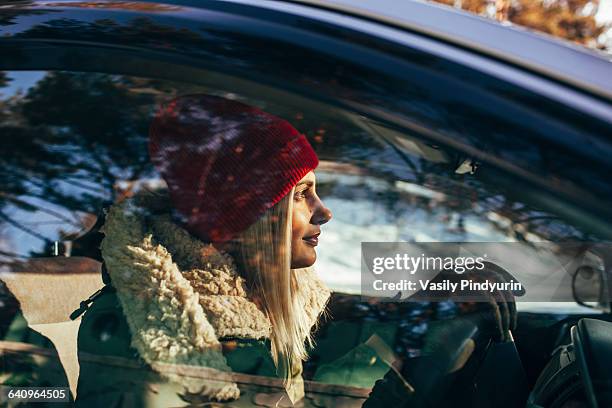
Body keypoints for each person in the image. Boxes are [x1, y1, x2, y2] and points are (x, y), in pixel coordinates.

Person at [75, 94, 332, 406]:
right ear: (243, 214)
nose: (324, 212)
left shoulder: (272, 309)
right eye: (301, 194)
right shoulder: (146, 330)